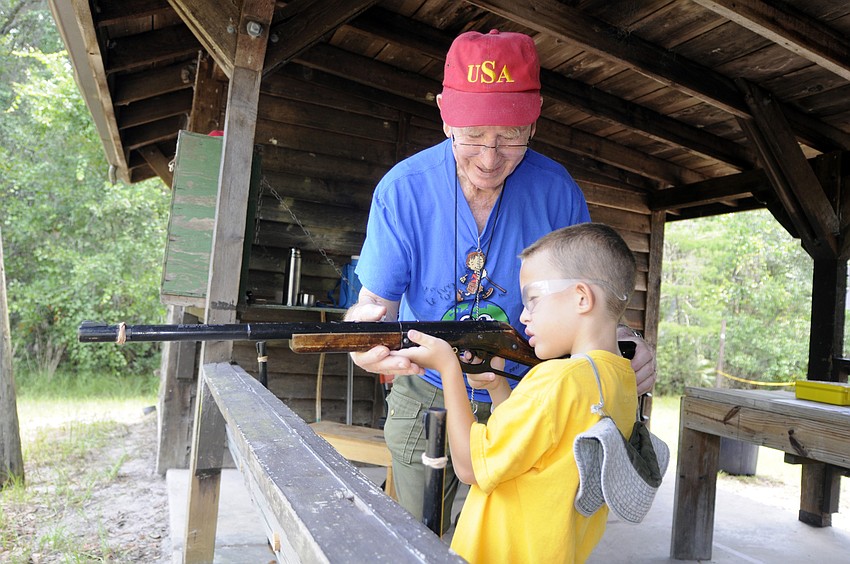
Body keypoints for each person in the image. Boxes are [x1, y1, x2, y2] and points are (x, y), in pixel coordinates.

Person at [345, 29, 656, 527]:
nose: (490, 159)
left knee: (491, 539)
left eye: (510, 138)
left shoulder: (557, 192)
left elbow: (588, 297)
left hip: (527, 401)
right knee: (409, 534)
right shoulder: (402, 190)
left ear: (534, 122)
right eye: (473, 137)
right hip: (424, 393)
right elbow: (372, 305)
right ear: (445, 115)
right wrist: (360, 337)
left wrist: (624, 341)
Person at [392, 222, 639, 562]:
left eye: (533, 299)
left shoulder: (555, 379)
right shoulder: (621, 380)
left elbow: (470, 469)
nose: (523, 316)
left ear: (582, 297)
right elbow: (537, 449)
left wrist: (448, 368)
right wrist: (498, 388)